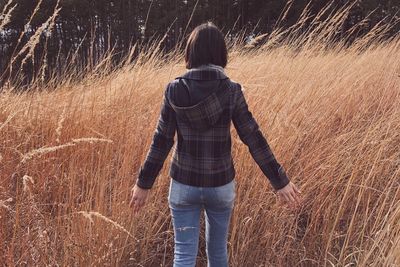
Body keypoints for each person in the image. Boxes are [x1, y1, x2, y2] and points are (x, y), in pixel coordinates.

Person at [130, 21, 302, 267]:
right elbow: (253, 137)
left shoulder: (174, 90)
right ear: (221, 54)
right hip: (220, 186)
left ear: (190, 53)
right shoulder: (231, 91)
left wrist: (143, 183)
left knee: (183, 254)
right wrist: (280, 181)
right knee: (218, 253)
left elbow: (162, 140)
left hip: (183, 185)